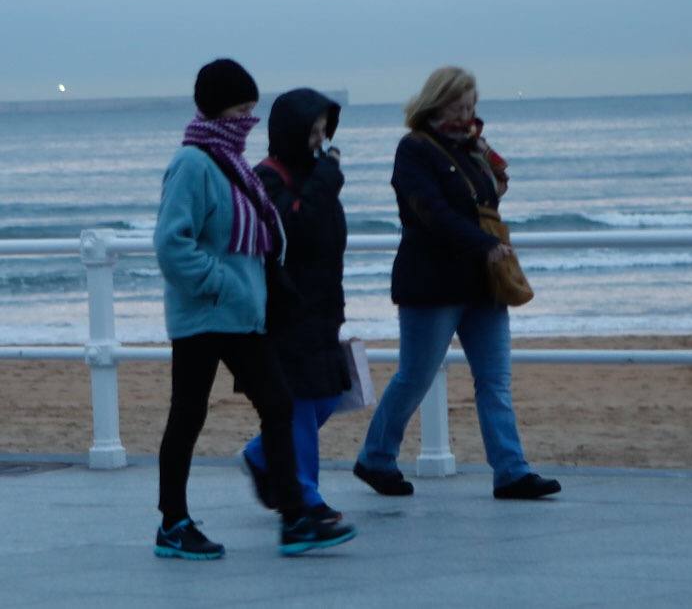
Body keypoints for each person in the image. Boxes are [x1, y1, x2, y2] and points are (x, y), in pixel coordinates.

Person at [153, 59, 355, 559]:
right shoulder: (193, 164)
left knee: (279, 405)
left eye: (251, 109)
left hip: (243, 315)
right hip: (204, 316)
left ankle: (294, 519)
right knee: (188, 416)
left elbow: (260, 235)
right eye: (241, 109)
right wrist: (220, 282)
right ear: (219, 109)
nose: (249, 119)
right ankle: (173, 523)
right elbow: (171, 243)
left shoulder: (234, 162)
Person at [353, 66, 561, 500]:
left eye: (471, 106)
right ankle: (376, 457)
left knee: (495, 379)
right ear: (435, 102)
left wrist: (492, 177)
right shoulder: (413, 150)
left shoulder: (472, 148)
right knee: (416, 376)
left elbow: (482, 200)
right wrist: (483, 244)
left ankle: (511, 471)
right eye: (458, 105)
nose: (466, 114)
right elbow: (431, 213)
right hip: (432, 282)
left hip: (482, 283)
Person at [241, 88, 348, 523]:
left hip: (322, 304)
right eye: (313, 131)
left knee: (328, 397)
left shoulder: (312, 174)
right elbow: (296, 226)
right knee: (302, 401)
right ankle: (306, 496)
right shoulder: (267, 178)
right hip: (285, 308)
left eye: (325, 130)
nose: (321, 140)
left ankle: (261, 452)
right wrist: (329, 177)